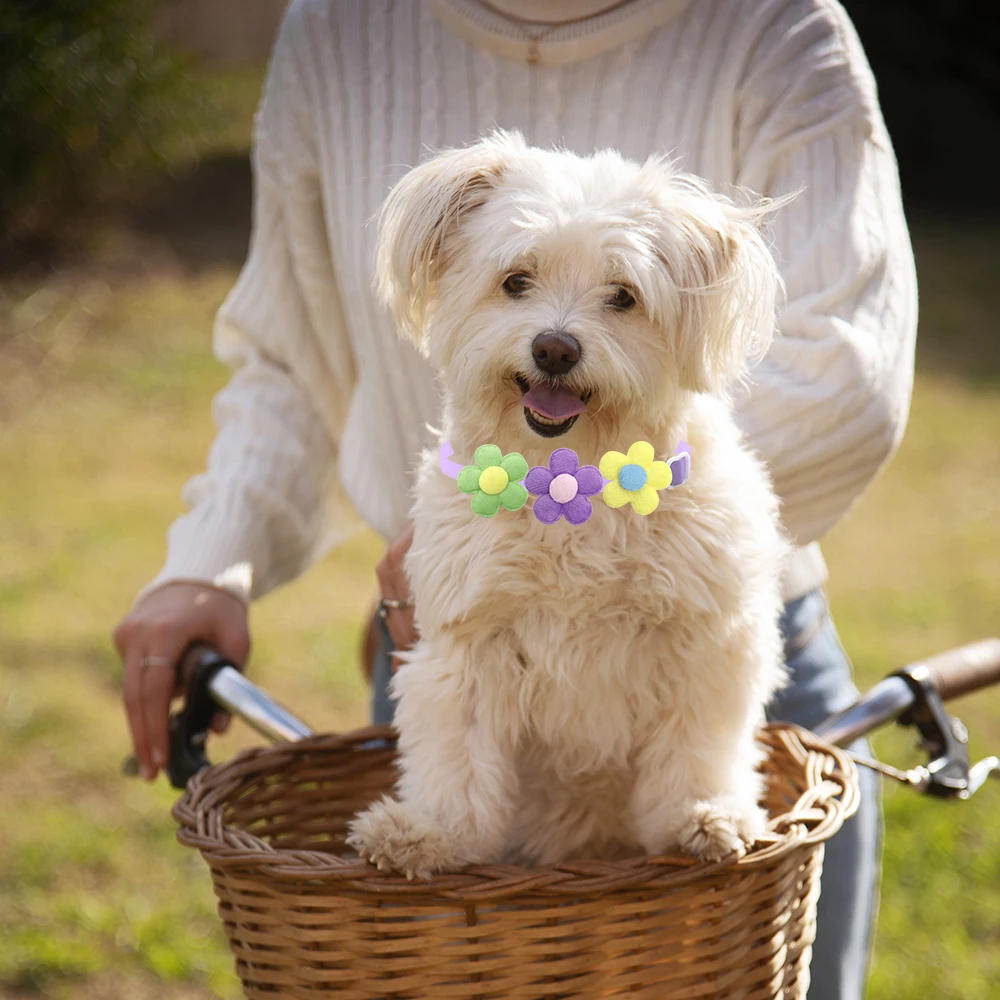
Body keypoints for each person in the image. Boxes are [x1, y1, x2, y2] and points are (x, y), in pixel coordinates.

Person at [112, 2, 917, 996]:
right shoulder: (338, 27)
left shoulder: (777, 25)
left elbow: (852, 369)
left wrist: (597, 502)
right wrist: (210, 552)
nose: (558, 335)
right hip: (475, 726)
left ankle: (692, 794)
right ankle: (453, 809)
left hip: (745, 737)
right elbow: (290, 353)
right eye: (519, 282)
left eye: (619, 298)